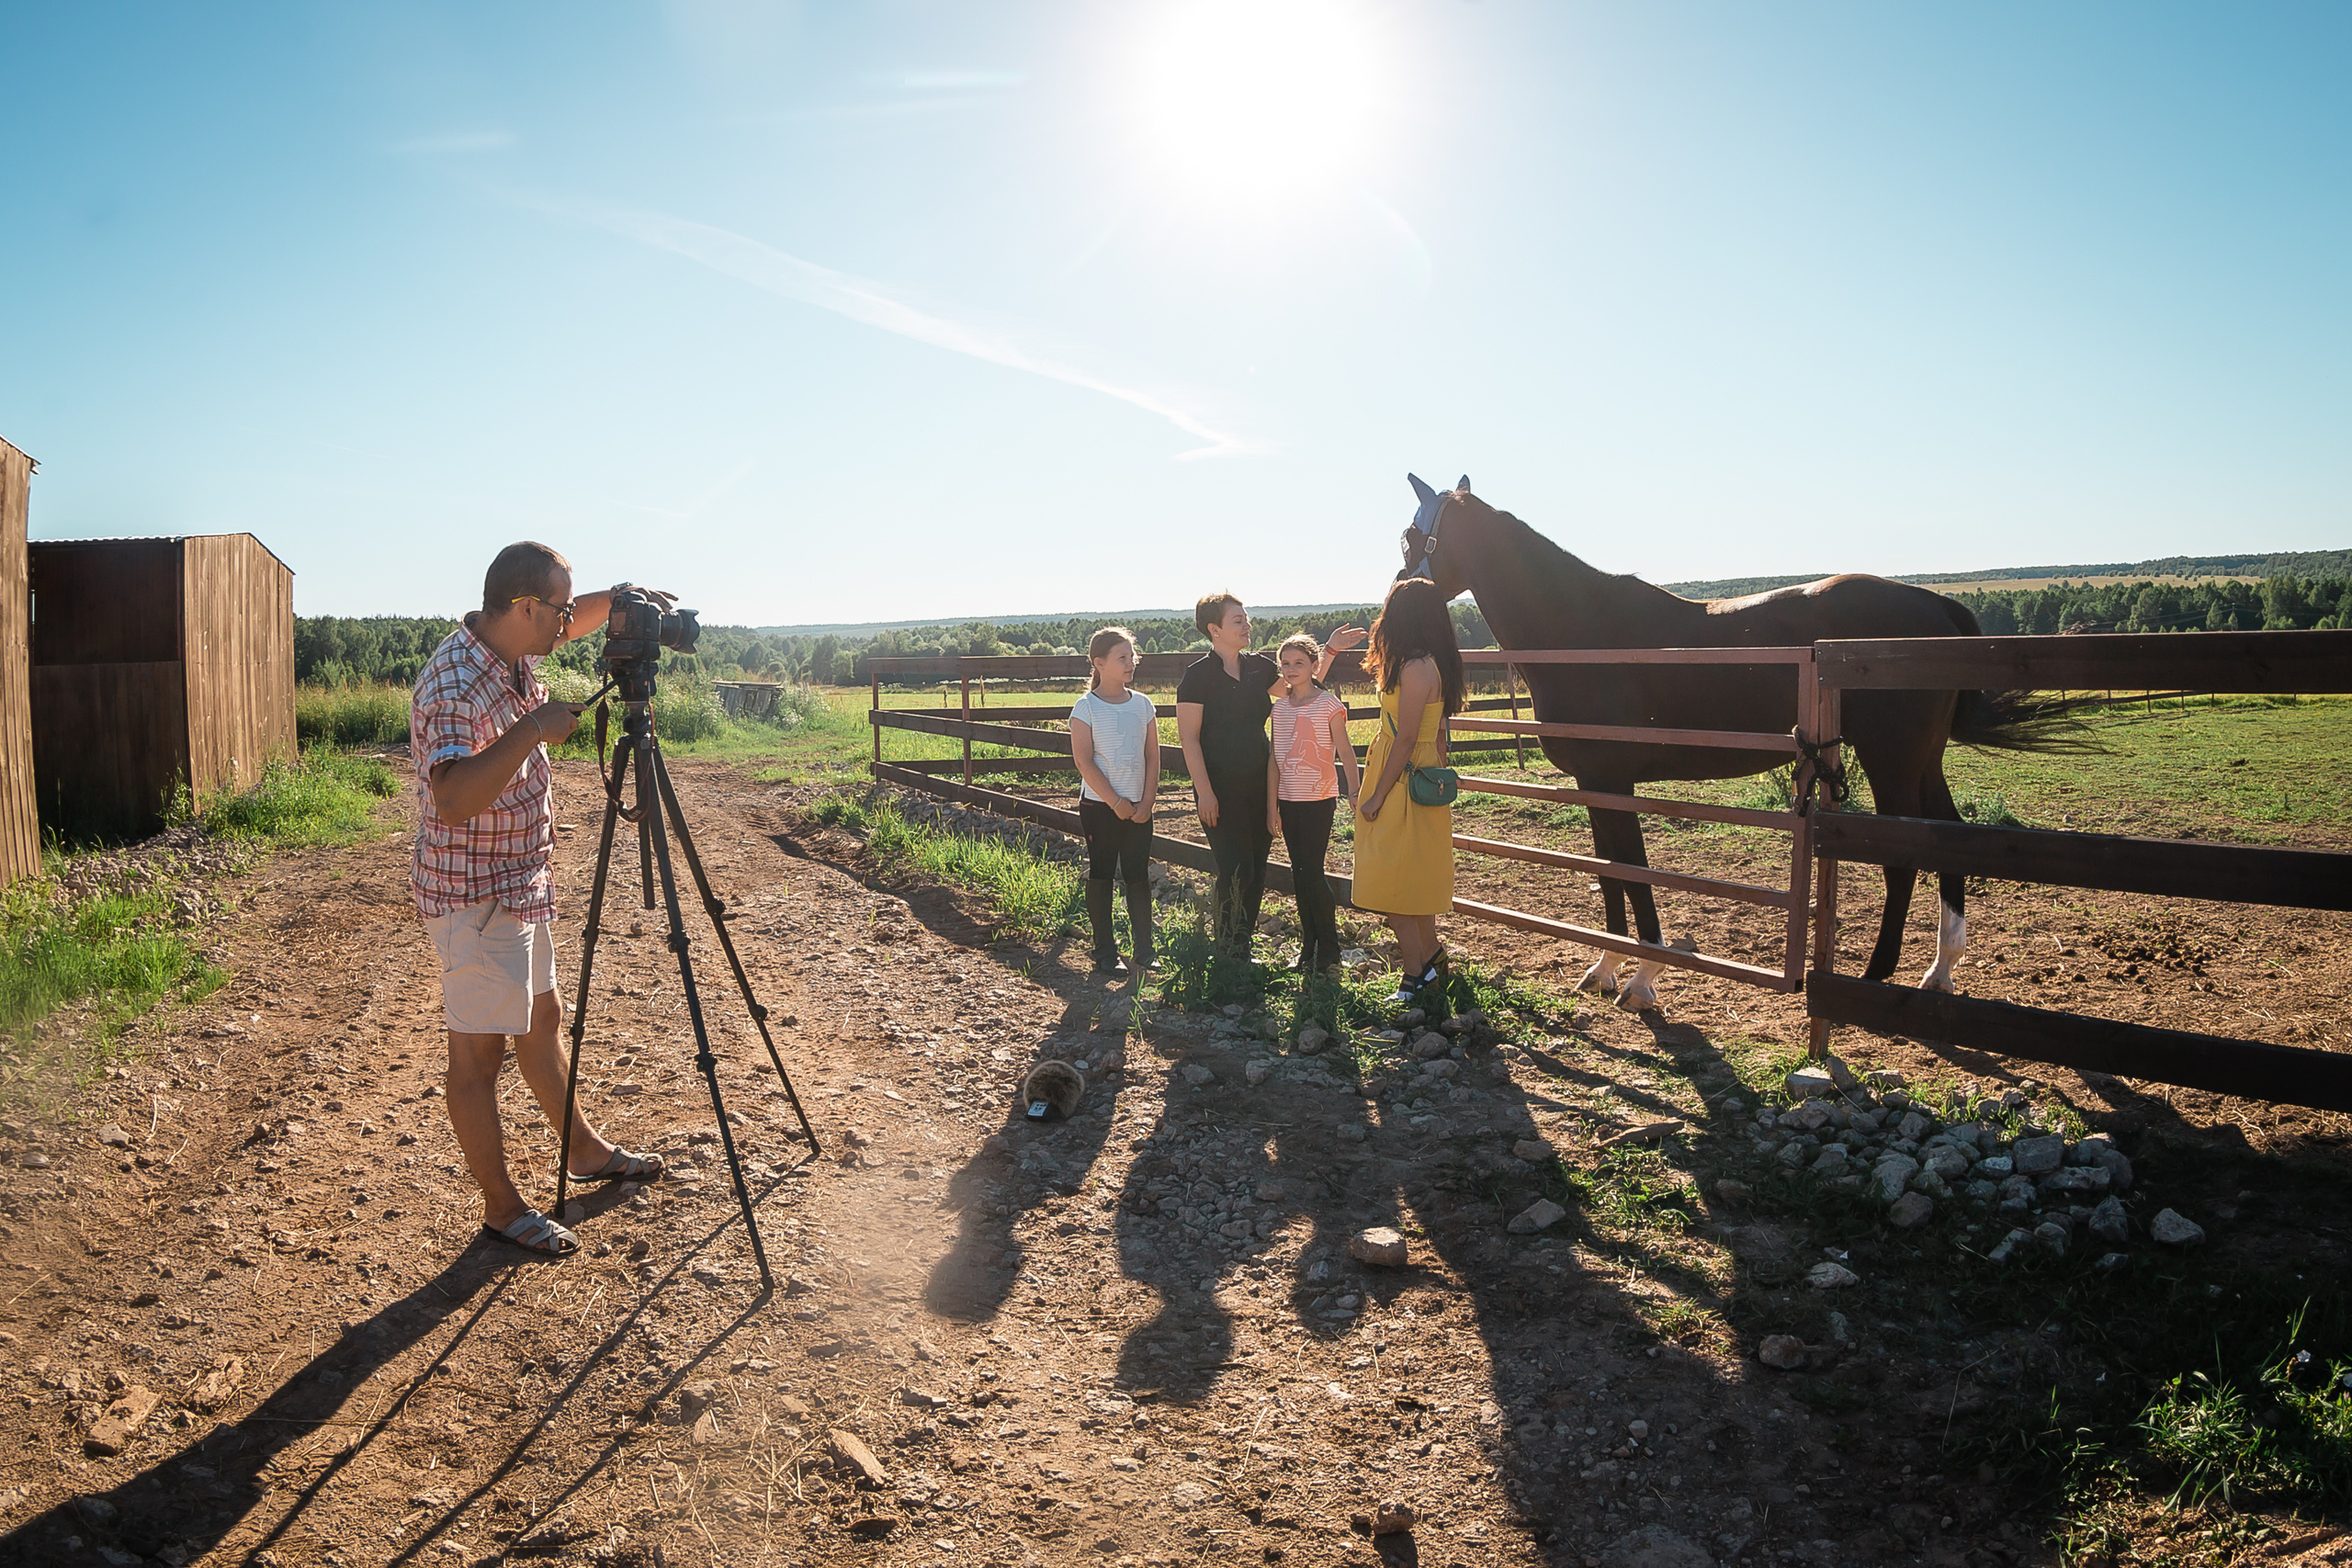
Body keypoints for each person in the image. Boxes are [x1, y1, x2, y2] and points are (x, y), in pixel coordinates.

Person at [410, 542, 672, 1260]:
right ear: (525, 607)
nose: (569, 622)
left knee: (543, 1018)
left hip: (518, 882)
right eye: (560, 608)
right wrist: (531, 731)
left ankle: (583, 1149)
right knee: (476, 1058)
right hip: (476, 894)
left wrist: (619, 603)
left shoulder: (509, 654)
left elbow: (575, 620)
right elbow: (456, 798)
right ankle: (502, 1209)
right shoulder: (455, 681)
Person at [1173, 593, 1363, 958]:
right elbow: (1188, 738)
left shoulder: (1260, 668)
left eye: (1246, 619)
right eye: (1238, 621)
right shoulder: (1196, 678)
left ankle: (1241, 946)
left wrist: (1330, 651)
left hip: (1261, 784)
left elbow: (1302, 690)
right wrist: (1205, 793)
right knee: (1233, 866)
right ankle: (1227, 948)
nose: (1247, 625)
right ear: (1215, 629)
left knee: (1257, 866)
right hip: (1219, 788)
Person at [1352, 576, 1464, 1005]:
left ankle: (1414, 973)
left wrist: (1377, 795)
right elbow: (1437, 736)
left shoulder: (1417, 668)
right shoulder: (1422, 661)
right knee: (1410, 872)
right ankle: (1432, 958)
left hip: (1402, 775)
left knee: (1392, 877)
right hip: (1412, 770)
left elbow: (1407, 737)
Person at [1265, 632, 1361, 977]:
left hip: (1319, 798)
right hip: (1288, 800)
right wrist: (1271, 805)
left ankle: (1329, 947)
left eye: (1299, 663)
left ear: (1314, 666)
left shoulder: (1329, 705)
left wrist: (1354, 791)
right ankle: (1309, 945)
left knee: (1312, 871)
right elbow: (1275, 760)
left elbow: (1346, 752)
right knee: (1298, 872)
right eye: (1286, 664)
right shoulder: (1279, 708)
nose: (1291, 670)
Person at [1069, 626, 1160, 978]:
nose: (1130, 663)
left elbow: (1153, 756)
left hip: (1139, 807)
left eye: (1131, 656)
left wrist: (1147, 800)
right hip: (1100, 808)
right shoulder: (1085, 707)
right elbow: (1084, 761)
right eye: (1122, 657)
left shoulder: (1143, 704)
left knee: (1138, 875)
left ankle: (1145, 949)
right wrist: (1115, 801)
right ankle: (1105, 951)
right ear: (1099, 663)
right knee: (1103, 874)